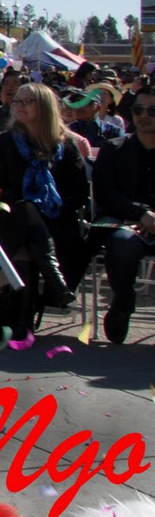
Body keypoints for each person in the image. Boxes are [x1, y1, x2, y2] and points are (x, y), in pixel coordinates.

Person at [0, 83, 91, 311]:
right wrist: (24, 205)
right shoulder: (5, 142)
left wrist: (48, 206)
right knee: (26, 209)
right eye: (17, 101)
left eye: (27, 101)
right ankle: (55, 285)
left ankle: (24, 321)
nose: (19, 106)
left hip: (56, 219)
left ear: (45, 107)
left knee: (32, 237)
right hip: (11, 216)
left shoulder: (67, 145)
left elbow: (78, 192)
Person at [95, 87, 155, 343]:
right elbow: (105, 193)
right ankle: (122, 303)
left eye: (152, 111)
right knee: (122, 244)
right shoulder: (114, 148)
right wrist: (140, 214)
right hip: (125, 221)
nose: (143, 116)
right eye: (138, 110)